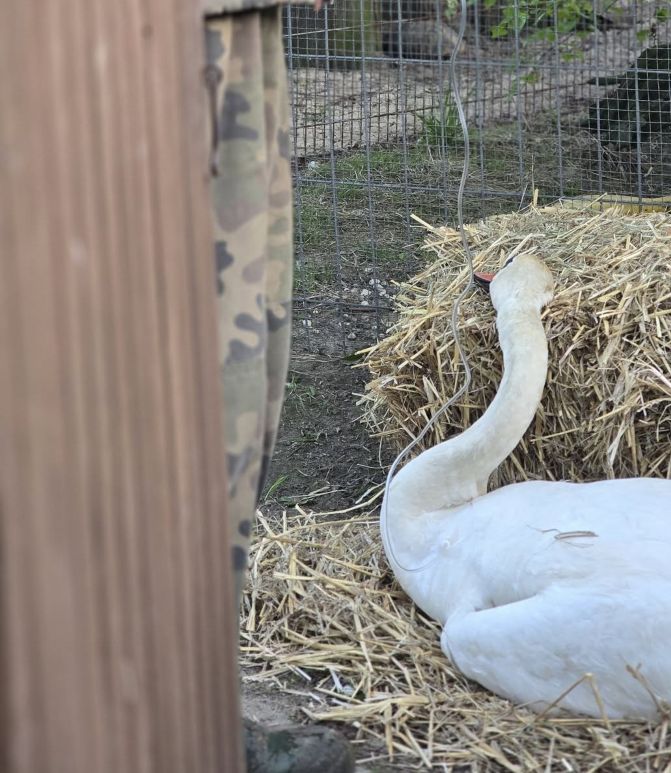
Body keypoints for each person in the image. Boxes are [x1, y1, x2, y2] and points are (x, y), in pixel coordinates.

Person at [202, 2, 353, 770]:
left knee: (251, 340)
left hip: (234, 30)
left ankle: (200, 705)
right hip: (150, 39)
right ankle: (177, 722)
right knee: (203, 357)